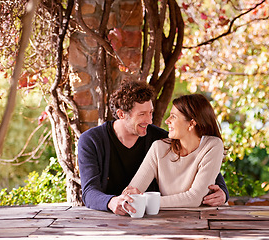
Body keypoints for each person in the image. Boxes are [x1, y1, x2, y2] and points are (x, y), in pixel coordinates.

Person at [78, 80, 229, 215]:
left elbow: (206, 165)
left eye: (151, 112)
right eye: (142, 114)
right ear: (121, 114)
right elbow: (89, 192)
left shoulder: (161, 138)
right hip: (115, 213)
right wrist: (111, 202)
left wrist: (223, 192)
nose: (150, 120)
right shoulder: (92, 141)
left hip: (154, 214)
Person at [124, 94, 225, 207]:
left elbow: (194, 198)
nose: (167, 121)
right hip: (169, 220)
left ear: (191, 123)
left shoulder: (212, 146)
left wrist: (145, 201)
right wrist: (133, 198)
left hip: (204, 220)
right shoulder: (159, 148)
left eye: (173, 116)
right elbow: (131, 193)